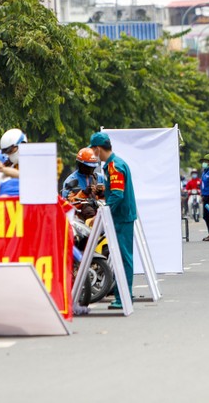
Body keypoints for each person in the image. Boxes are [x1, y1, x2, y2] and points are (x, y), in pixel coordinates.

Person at [89, 131, 137, 310]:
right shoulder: (115, 164)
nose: (93, 154)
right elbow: (115, 190)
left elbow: (117, 194)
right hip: (123, 216)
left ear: (98, 149)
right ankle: (123, 293)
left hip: (121, 218)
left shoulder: (114, 166)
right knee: (120, 257)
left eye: (93, 150)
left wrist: (102, 213)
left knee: (123, 258)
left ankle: (124, 296)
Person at [0, 128, 26, 196]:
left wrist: (3, 169)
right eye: (7, 152)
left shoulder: (34, 162)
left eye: (11, 151)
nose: (9, 154)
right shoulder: (13, 166)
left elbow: (27, 177)